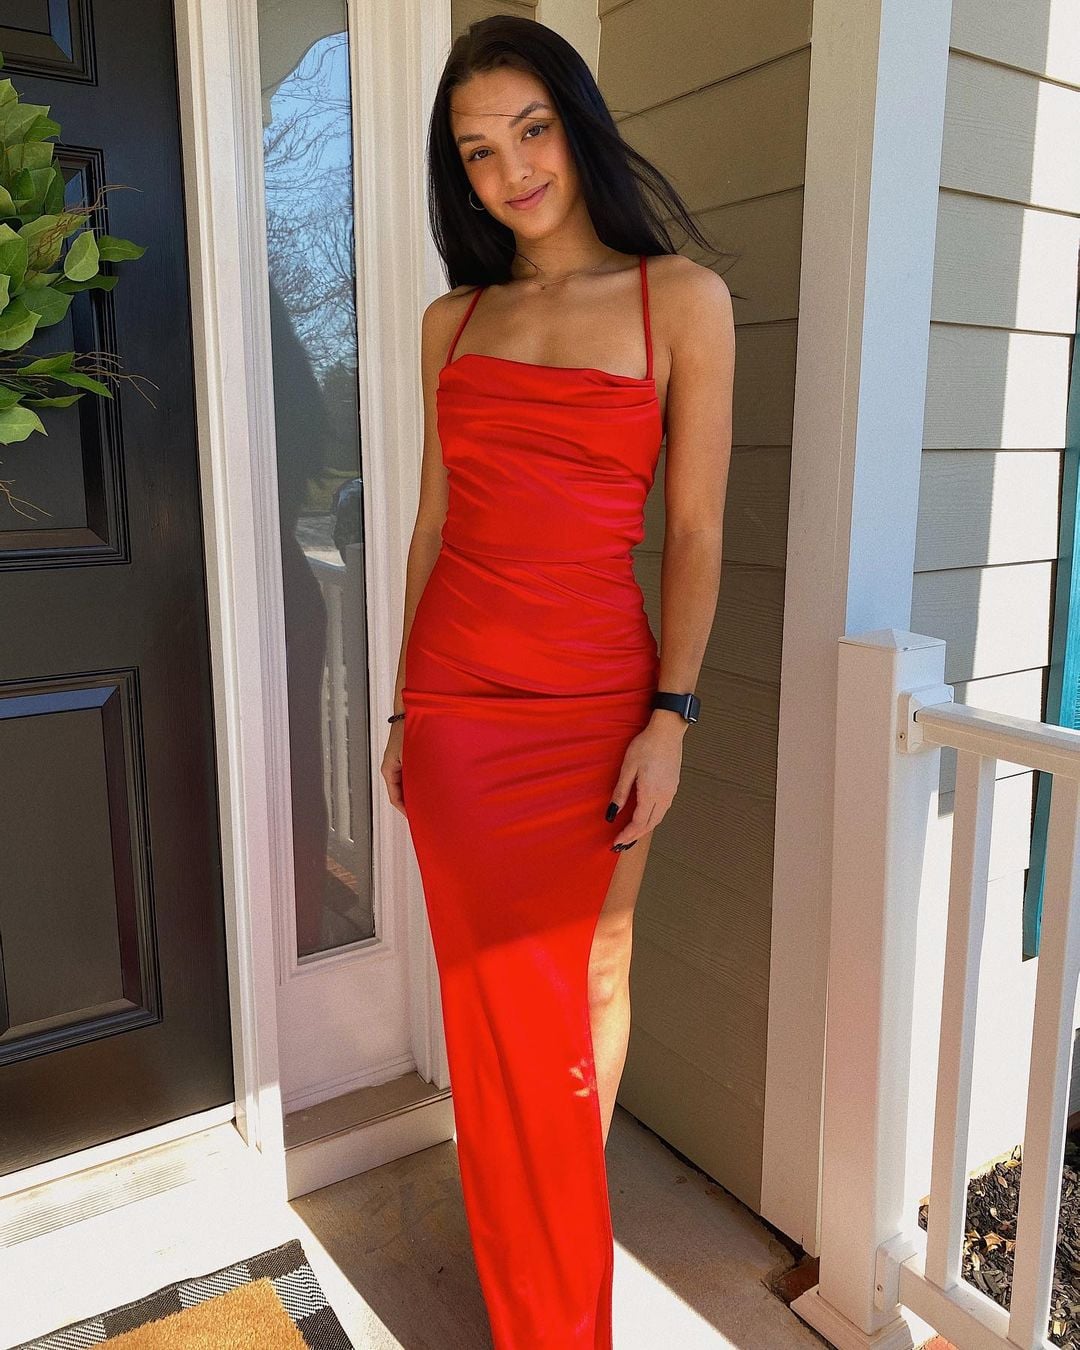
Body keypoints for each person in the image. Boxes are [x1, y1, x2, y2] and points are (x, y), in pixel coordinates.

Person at [380, 14, 734, 1347]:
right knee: (489, 1009)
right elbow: (431, 523)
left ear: (577, 127)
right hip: (459, 705)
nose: (512, 169)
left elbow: (694, 533)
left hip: (599, 704)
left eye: (531, 130)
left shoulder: (677, 300)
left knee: (595, 968)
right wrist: (405, 703)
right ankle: (537, 1270)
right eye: (479, 151)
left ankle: (557, 1227)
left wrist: (672, 714)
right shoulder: (452, 321)